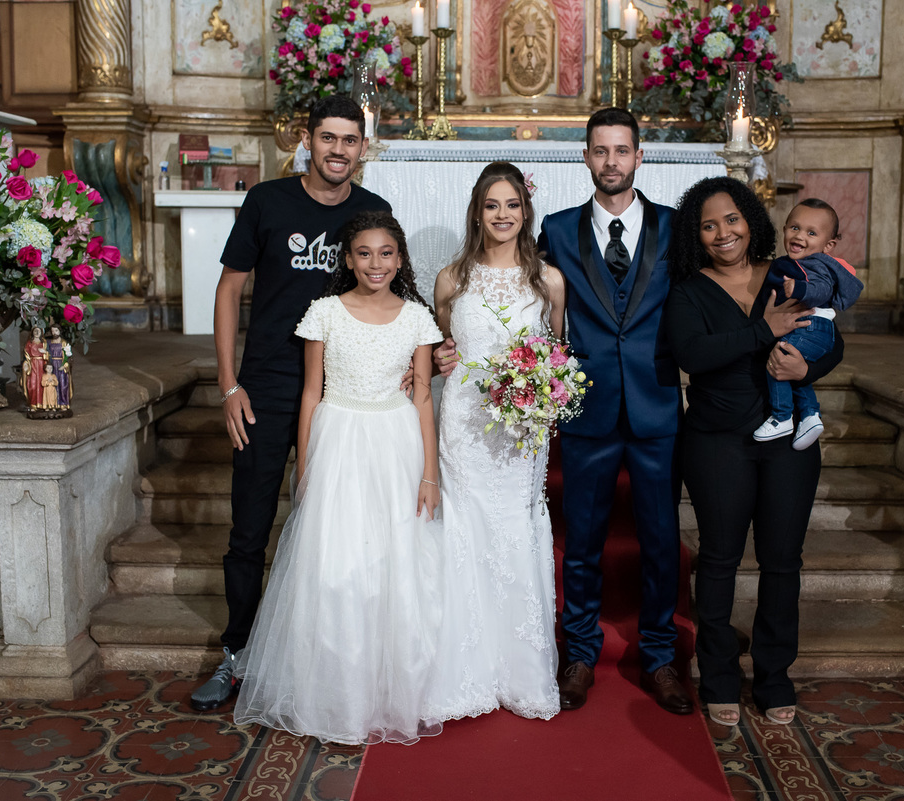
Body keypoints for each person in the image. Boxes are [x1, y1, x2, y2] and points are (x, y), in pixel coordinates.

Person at [193, 95, 393, 712]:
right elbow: (228, 292)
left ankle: (325, 659)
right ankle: (237, 656)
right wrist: (230, 384)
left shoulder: (373, 211)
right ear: (307, 142)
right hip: (270, 385)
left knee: (337, 533)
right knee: (250, 527)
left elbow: (392, 293)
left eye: (349, 140)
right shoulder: (267, 202)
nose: (338, 150)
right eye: (327, 138)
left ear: (363, 147)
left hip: (344, 392)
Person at [233, 211, 445, 744]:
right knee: (335, 565)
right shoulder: (324, 312)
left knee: (392, 561)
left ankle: (387, 688)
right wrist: (305, 462)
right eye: (364, 254)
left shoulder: (417, 316)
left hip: (396, 442)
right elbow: (311, 393)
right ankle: (333, 692)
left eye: (386, 254)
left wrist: (430, 473)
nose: (376, 264)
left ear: (400, 260)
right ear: (346, 259)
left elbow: (421, 397)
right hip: (340, 439)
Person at [664, 177, 844, 728]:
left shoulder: (787, 271)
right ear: (696, 235)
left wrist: (808, 368)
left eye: (732, 219)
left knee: (783, 561)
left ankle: (773, 676)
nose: (723, 233)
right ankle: (718, 676)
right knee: (718, 560)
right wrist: (761, 331)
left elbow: (832, 335)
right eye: (709, 224)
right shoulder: (688, 290)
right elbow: (692, 353)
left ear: (751, 220)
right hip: (718, 440)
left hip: (789, 440)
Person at [536, 108, 692, 715]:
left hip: (656, 406)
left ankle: (659, 657)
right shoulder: (555, 228)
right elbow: (526, 300)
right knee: (583, 543)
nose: (610, 162)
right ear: (585, 157)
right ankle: (578, 653)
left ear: (639, 156)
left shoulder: (676, 229)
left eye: (621, 151)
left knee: (659, 540)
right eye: (600, 151)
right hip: (588, 408)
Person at [425, 162, 567, 723]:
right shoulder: (451, 278)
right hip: (463, 420)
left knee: (514, 530)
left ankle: (520, 668)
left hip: (520, 430)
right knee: (464, 531)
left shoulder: (548, 281)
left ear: (525, 212)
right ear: (477, 212)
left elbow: (561, 356)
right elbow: (442, 347)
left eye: (512, 205)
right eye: (492, 205)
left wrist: (540, 393)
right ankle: (465, 667)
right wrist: (442, 358)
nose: (503, 215)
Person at [753, 198, 863, 449]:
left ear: (829, 245)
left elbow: (822, 288)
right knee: (791, 364)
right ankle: (810, 415)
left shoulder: (818, 263)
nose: (799, 236)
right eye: (794, 228)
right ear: (784, 229)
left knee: (779, 358)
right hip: (811, 327)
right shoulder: (795, 262)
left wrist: (798, 288)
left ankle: (781, 417)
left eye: (811, 233)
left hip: (812, 326)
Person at [21, 327, 47, 408]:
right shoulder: (29, 343)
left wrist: (45, 353)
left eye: (38, 331)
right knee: (32, 384)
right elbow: (26, 355)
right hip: (32, 365)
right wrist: (26, 363)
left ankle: (42, 403)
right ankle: (33, 403)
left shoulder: (44, 343)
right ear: (32, 332)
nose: (36, 332)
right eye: (35, 331)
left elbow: (48, 355)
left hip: (42, 365)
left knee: (42, 384)